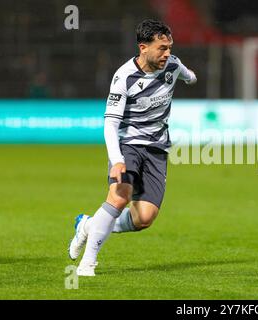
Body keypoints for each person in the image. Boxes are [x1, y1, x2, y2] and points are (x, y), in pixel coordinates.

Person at [68, 19, 197, 276]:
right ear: (143, 47)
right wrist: (117, 159)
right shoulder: (123, 77)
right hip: (127, 145)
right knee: (119, 195)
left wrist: (190, 77)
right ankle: (87, 263)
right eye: (162, 48)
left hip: (157, 149)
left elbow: (188, 75)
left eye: (170, 47)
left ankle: (88, 225)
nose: (167, 53)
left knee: (144, 218)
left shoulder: (173, 65)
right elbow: (110, 125)